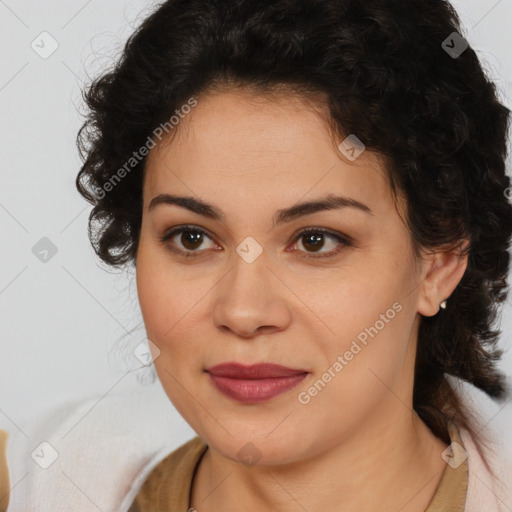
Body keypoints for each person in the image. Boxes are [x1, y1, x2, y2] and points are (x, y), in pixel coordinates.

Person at [76, 0, 512, 510]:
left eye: (315, 241)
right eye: (192, 238)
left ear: (438, 262)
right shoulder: (44, 482)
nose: (243, 312)